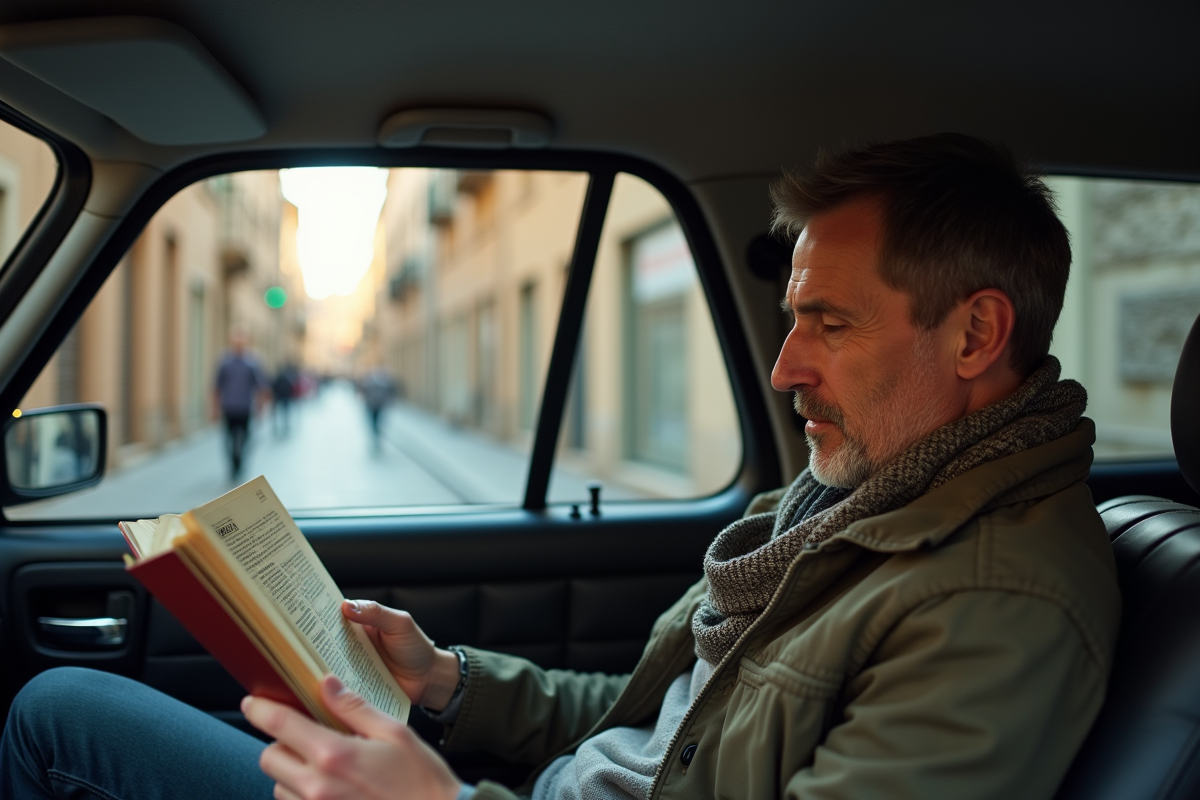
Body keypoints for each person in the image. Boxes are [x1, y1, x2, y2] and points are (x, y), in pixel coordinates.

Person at [0, 134, 1121, 800]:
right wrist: (447, 680)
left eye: (829, 322)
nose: (787, 367)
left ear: (975, 336)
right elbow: (657, 728)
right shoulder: (854, 495)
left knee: (57, 717)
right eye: (790, 319)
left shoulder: (995, 599)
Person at [214, 327, 268, 481]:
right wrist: (215, 408)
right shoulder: (224, 362)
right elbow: (217, 386)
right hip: (229, 407)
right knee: (229, 439)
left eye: (241, 341)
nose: (239, 344)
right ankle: (234, 463)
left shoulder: (253, 363)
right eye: (236, 341)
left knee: (245, 438)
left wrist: (261, 407)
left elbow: (260, 387)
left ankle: (241, 461)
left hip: (245, 408)